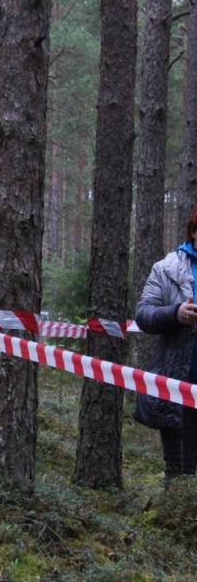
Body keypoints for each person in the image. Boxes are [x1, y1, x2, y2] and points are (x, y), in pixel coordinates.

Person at [135, 206, 197, 486]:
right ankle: (175, 524)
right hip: (178, 383)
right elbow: (144, 315)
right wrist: (175, 314)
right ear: (194, 232)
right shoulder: (166, 268)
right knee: (179, 473)